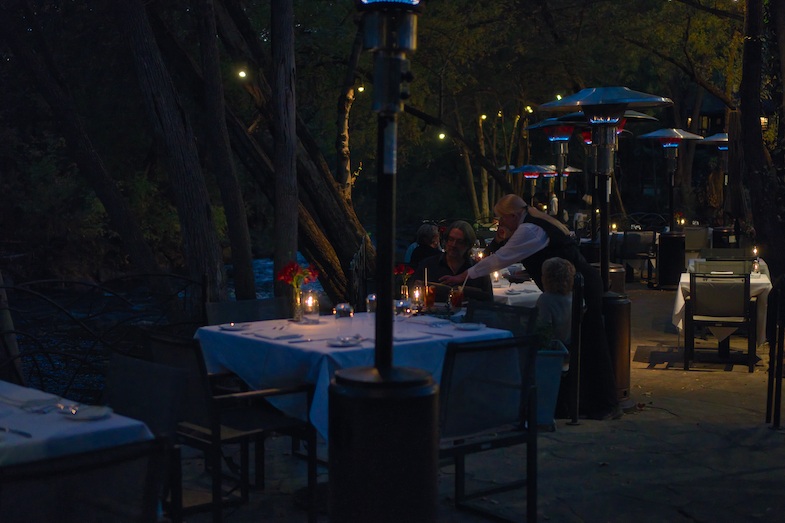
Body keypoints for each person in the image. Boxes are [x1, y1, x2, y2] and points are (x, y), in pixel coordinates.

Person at [441, 194, 620, 420]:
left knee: (592, 343)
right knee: (584, 343)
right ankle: (586, 403)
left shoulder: (529, 230)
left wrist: (464, 276)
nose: (500, 223)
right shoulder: (534, 225)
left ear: (514, 215)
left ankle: (605, 403)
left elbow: (501, 258)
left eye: (502, 219)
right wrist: (499, 241)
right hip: (576, 284)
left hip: (579, 284)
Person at [411, 220, 493, 303]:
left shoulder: (479, 270)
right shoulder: (428, 265)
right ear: (445, 241)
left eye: (459, 242)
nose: (453, 245)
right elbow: (414, 295)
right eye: (451, 239)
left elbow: (489, 302)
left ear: (468, 245)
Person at [536, 257, 575, 345]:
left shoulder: (546, 299)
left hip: (553, 348)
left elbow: (543, 329)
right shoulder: (575, 297)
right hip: (570, 344)